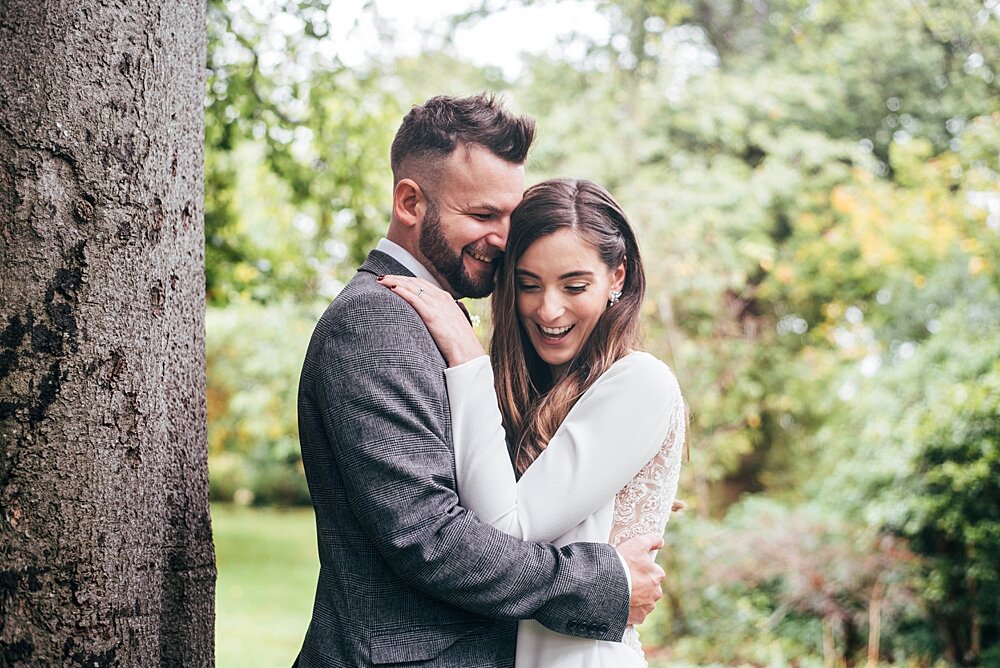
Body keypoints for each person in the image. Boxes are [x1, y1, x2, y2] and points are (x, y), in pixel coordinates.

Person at [293, 95, 666, 668]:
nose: (503, 237)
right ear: (410, 201)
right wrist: (603, 582)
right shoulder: (379, 319)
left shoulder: (434, 316)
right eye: (483, 216)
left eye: (510, 217)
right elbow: (430, 538)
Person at [380, 178, 686, 667]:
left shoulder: (641, 382)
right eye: (528, 284)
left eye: (574, 285)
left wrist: (465, 355)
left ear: (618, 277)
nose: (548, 309)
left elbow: (508, 529)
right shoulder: (529, 390)